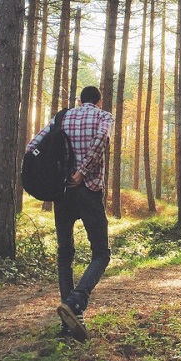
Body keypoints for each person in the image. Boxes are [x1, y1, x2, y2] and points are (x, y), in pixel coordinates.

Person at [26, 85, 113, 342]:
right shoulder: (103, 116)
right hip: (89, 190)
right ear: (98, 101)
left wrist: (55, 177)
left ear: (79, 100)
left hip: (62, 193)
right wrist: (82, 171)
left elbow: (33, 146)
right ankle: (76, 302)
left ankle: (68, 323)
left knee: (65, 254)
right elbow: (102, 140)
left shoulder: (61, 117)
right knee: (101, 252)